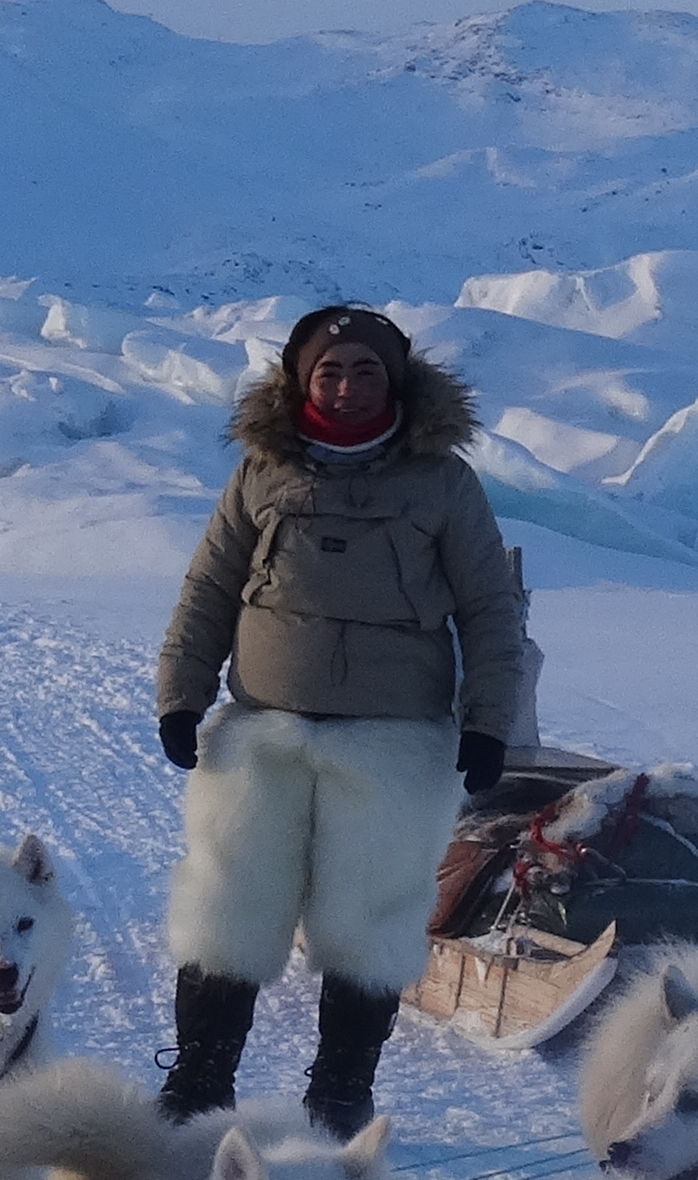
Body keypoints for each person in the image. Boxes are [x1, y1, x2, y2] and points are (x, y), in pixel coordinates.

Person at [148, 303, 527, 1135]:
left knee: (370, 919)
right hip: (262, 729)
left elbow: (488, 609)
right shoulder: (258, 471)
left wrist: (489, 723)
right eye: (329, 370)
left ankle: (340, 1094)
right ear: (299, 379)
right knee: (229, 901)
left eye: (365, 370)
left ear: (395, 379)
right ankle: (199, 1082)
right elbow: (209, 590)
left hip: (393, 741)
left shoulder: (442, 481)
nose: (347, 385)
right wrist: (181, 694)